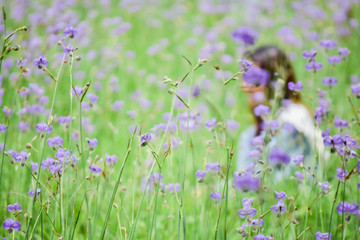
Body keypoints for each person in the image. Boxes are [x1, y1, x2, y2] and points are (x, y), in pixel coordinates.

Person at [237, 46, 324, 180]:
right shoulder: (251, 132)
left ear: (275, 81)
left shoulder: (292, 121)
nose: (245, 86)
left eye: (254, 79)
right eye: (245, 77)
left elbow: (286, 180)